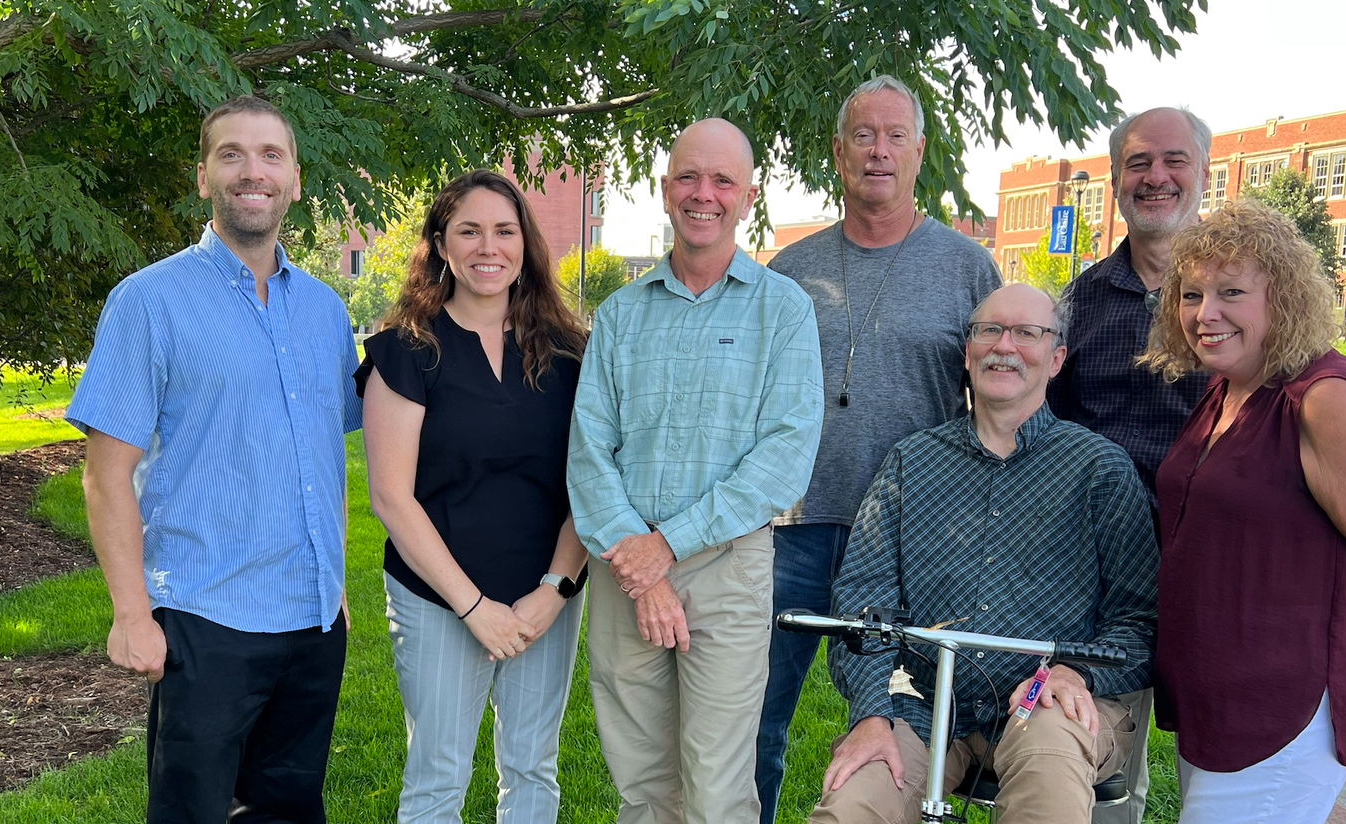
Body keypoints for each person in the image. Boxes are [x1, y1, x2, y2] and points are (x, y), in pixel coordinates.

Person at [67, 96, 362, 824]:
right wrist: (131, 614)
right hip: (206, 622)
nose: (251, 172)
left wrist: (337, 584)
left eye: (270, 156)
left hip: (314, 624)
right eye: (231, 154)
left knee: (288, 810)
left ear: (294, 179)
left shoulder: (325, 311)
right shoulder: (148, 302)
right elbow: (105, 477)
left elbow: (323, 459)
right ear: (203, 177)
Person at [811, 283, 1157, 824]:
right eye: (989, 330)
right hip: (925, 700)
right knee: (855, 806)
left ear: (1057, 357)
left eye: (1027, 333)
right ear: (967, 351)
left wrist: (1074, 674)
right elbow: (862, 602)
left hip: (1047, 701)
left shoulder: (1100, 471)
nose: (1005, 346)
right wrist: (872, 714)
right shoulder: (912, 462)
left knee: (1049, 787)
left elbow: (1140, 620)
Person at [1141, 199, 1346, 824]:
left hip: (1284, 703)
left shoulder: (1324, 397)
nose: (1205, 313)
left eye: (1231, 292)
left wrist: (1328, 632)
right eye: (1191, 295)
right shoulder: (1225, 391)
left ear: (1283, 298)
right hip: (1217, 695)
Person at [757, 75, 1001, 822]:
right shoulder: (788, 274)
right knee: (750, 722)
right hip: (793, 531)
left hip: (916, 539)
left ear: (920, 151)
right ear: (837, 151)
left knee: (913, 726)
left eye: (896, 135)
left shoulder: (967, 268)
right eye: (863, 135)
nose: (879, 151)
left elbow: (998, 400)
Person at [568, 117, 825, 824]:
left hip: (727, 566)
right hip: (623, 566)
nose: (702, 193)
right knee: (644, 786)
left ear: (748, 196)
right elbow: (589, 450)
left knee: (715, 788)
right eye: (688, 176)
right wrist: (641, 560)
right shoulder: (620, 315)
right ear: (663, 190)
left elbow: (784, 458)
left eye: (722, 180)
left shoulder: (784, 310)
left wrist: (668, 547)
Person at [357, 170, 590, 824]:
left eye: (504, 231)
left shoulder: (571, 354)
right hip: (435, 596)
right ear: (440, 245)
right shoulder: (405, 353)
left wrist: (555, 590)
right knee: (437, 776)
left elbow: (590, 484)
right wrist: (473, 608)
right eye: (469, 231)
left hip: (545, 598)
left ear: (525, 245)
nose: (489, 247)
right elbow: (390, 498)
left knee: (532, 770)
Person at [1046, 106, 1213, 824]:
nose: (1156, 177)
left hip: (1212, 567)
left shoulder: (1237, 303)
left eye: (1173, 160)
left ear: (1203, 172)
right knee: (1104, 771)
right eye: (1139, 163)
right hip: (1101, 577)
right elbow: (1042, 434)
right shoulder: (1078, 304)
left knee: (1216, 769)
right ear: (1116, 180)